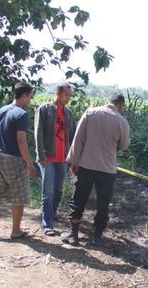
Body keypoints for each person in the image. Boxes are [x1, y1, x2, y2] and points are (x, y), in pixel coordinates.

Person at [61, 93, 130, 246]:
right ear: (120, 105)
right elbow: (124, 146)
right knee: (103, 202)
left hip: (86, 165)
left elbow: (78, 139)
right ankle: (97, 237)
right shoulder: (122, 121)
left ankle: (73, 234)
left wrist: (73, 161)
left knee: (78, 199)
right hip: (107, 169)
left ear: (109, 101)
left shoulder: (90, 113)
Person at [0, 82, 37, 239]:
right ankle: (16, 230)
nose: (30, 100)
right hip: (15, 160)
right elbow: (21, 141)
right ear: (24, 95)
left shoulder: (2, 110)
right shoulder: (22, 114)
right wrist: (30, 164)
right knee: (19, 196)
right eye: (30, 97)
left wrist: (0, 150)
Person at [34, 83, 76, 236]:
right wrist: (41, 155)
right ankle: (47, 224)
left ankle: (51, 212)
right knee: (48, 191)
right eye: (66, 95)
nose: (68, 98)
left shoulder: (68, 113)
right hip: (48, 157)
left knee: (58, 189)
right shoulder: (44, 110)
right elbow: (38, 134)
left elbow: (72, 135)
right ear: (58, 94)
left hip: (63, 158)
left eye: (70, 95)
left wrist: (73, 156)